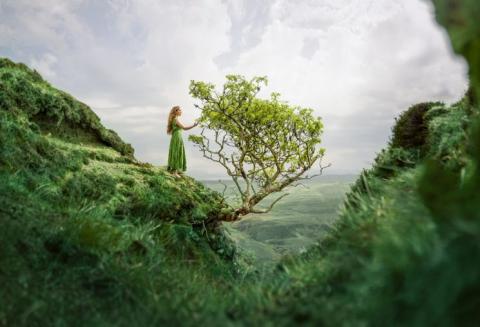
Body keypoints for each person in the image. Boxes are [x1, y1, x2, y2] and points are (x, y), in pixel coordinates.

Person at [166, 105, 198, 178]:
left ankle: (175, 169)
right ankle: (175, 172)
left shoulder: (174, 119)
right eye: (179, 110)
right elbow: (184, 128)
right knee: (177, 152)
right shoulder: (175, 119)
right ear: (176, 111)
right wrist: (193, 125)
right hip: (177, 137)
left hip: (176, 137)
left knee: (175, 151)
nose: (181, 111)